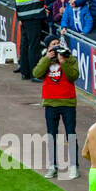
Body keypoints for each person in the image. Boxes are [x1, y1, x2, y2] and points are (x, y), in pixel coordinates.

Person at [35, 37, 80, 180]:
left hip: (67, 102)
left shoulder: (69, 58)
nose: (56, 46)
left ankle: (74, 166)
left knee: (71, 134)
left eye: (57, 43)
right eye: (52, 44)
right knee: (51, 135)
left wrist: (63, 62)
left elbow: (73, 76)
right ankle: (52, 166)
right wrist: (47, 58)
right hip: (50, 103)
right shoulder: (44, 58)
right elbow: (36, 73)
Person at [12, 0, 48, 81]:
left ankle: (25, 72)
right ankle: (35, 74)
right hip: (32, 18)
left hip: (25, 17)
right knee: (33, 46)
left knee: (25, 44)